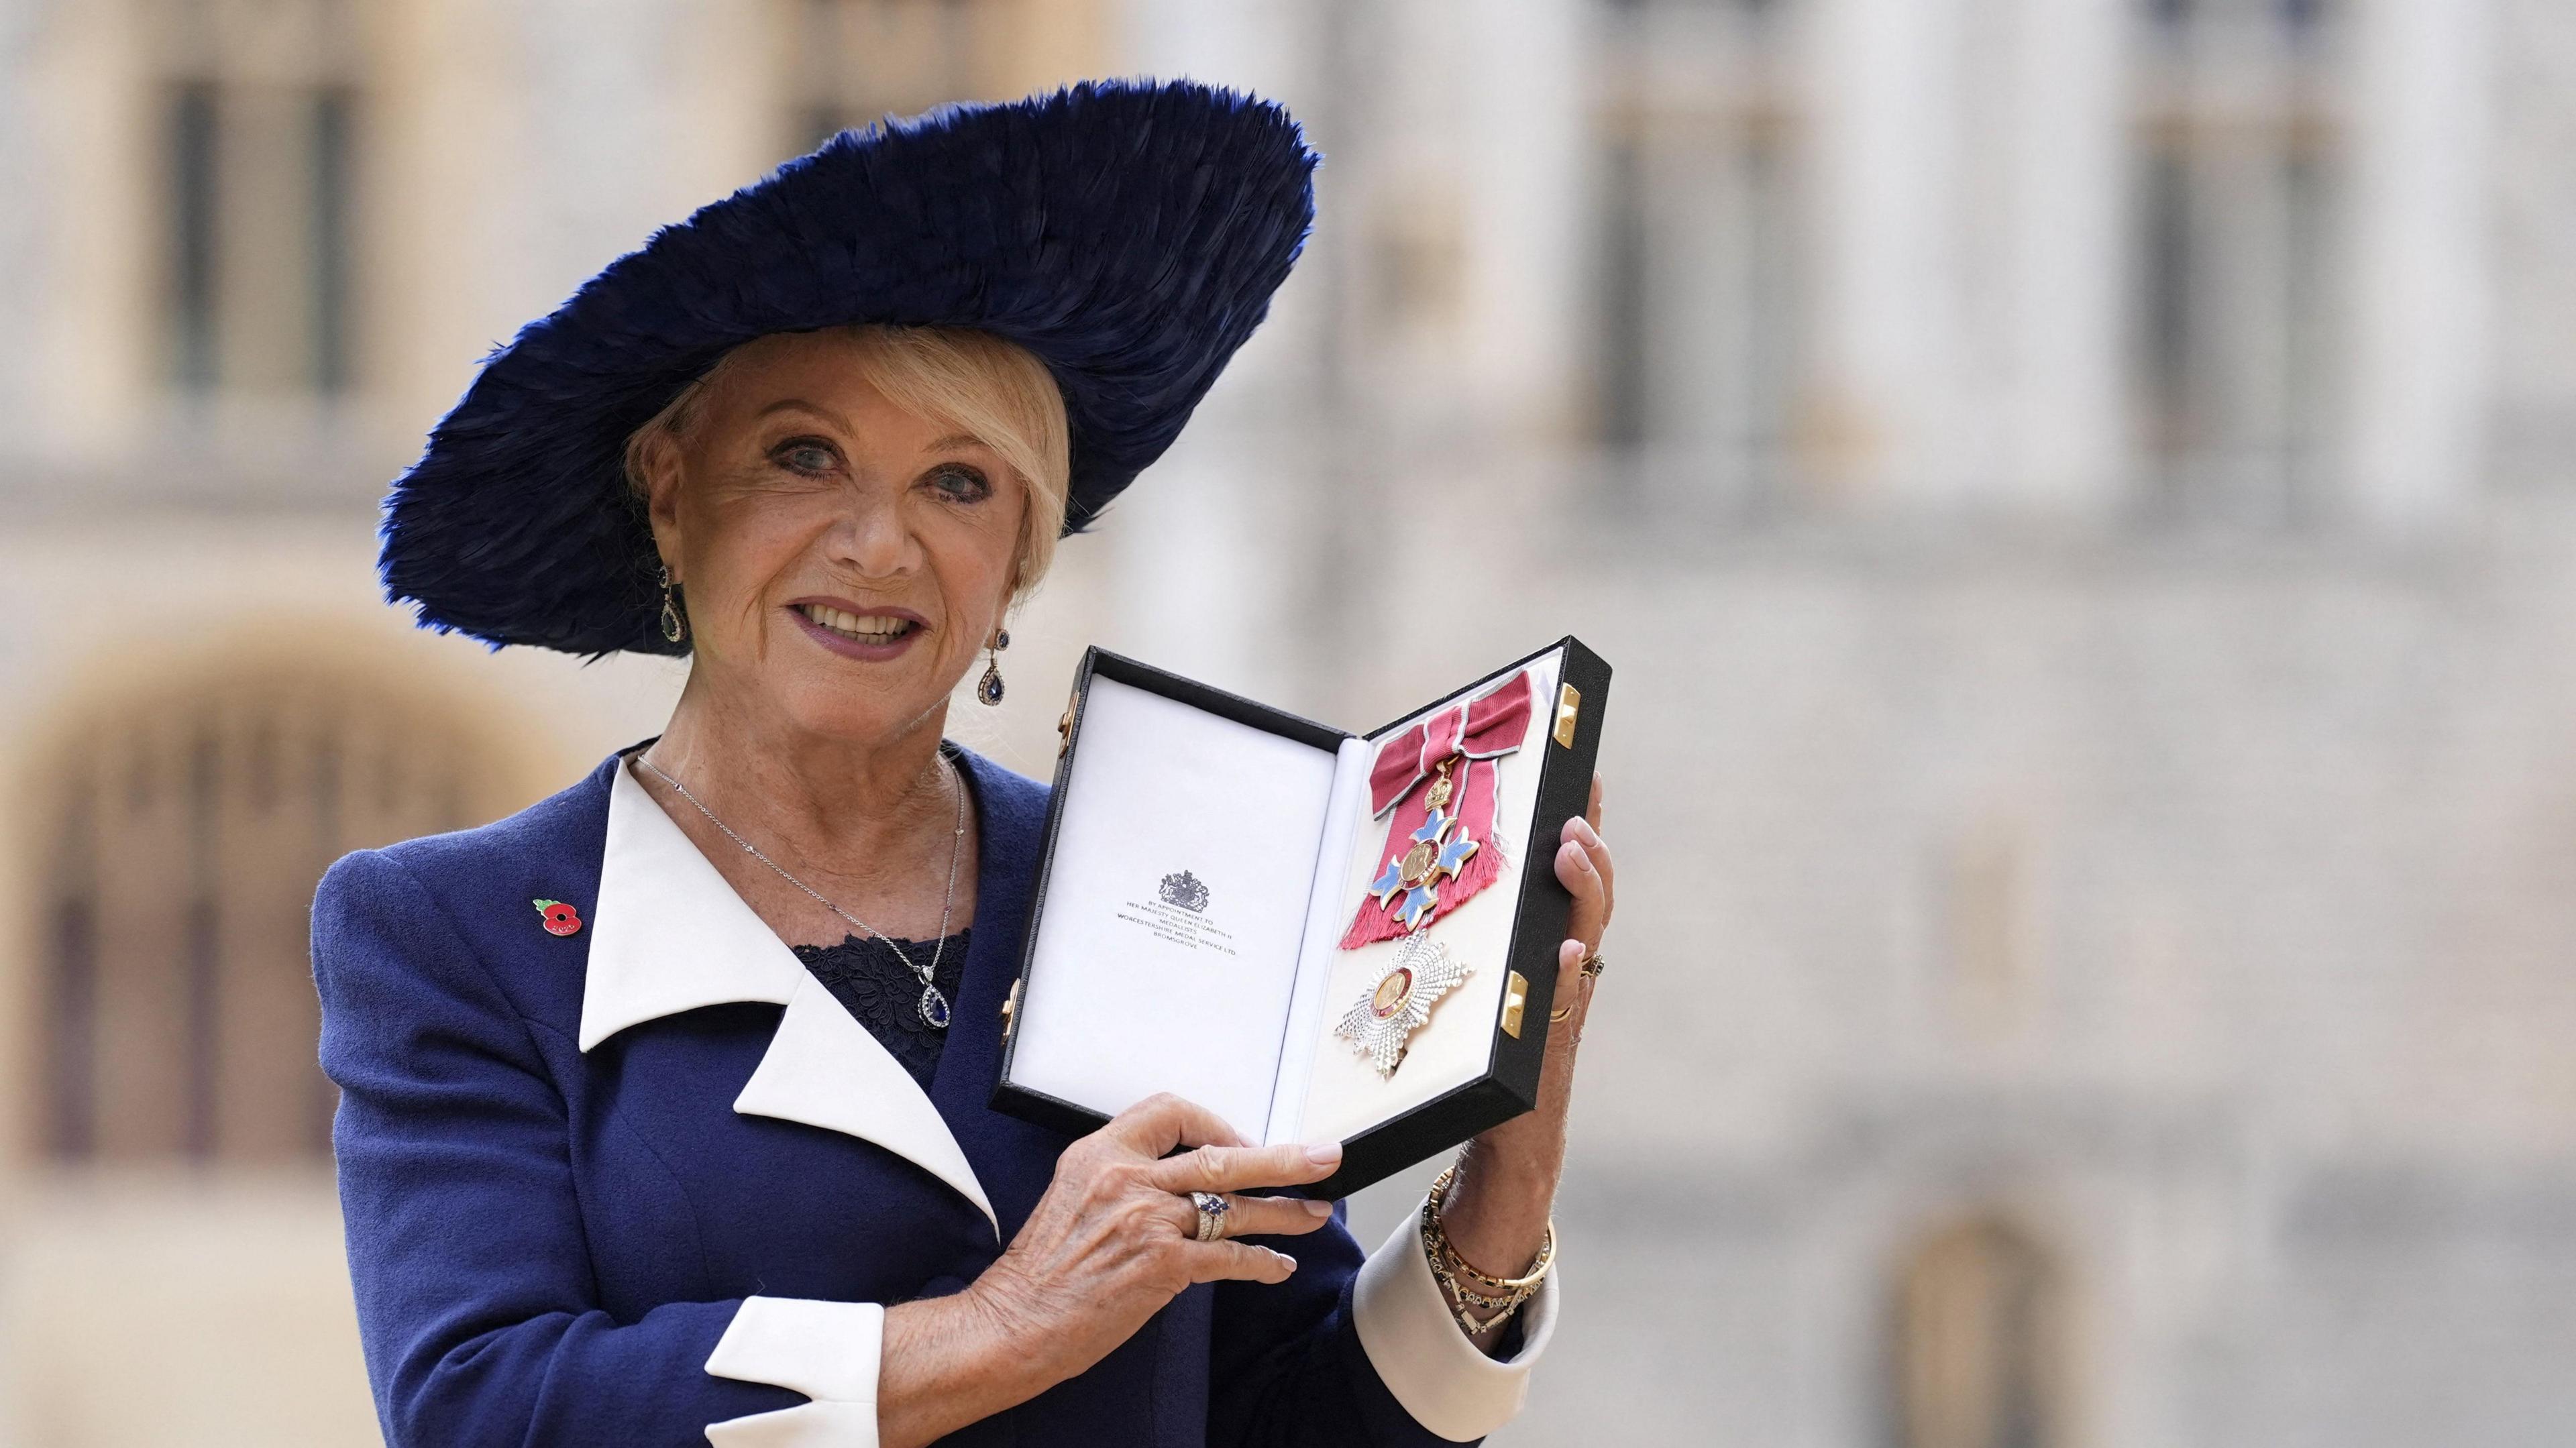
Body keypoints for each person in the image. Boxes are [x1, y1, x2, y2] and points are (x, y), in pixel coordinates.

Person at [313, 80, 1615, 1448]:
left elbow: (1285, 1417)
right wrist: (997, 1330)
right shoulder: (454, 934)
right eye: (803, 456)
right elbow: (480, 1407)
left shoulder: (1173, 892)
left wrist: (1505, 1180)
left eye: (959, 482)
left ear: (1018, 564)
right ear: (671, 490)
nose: (881, 545)